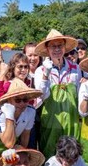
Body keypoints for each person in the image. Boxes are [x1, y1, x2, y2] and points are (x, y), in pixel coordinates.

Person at [34, 29, 80, 158]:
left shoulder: (75, 68)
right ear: (47, 49)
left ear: (65, 48)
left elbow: (78, 94)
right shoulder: (40, 70)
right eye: (53, 46)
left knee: (72, 155)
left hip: (72, 121)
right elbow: (41, 96)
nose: (57, 49)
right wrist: (46, 75)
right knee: (50, 156)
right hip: (50, 122)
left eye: (60, 45)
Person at [0, 78, 43, 163]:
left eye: (25, 100)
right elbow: (8, 143)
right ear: (9, 100)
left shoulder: (31, 111)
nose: (22, 103)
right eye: (18, 100)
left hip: (11, 142)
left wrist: (21, 153)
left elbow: (25, 136)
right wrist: (9, 116)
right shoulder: (0, 114)